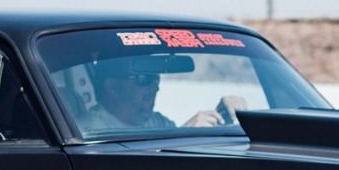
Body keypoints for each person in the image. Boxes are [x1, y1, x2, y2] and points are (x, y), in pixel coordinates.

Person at [77, 59, 245, 132]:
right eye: (144, 79)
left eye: (156, 79)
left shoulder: (156, 122)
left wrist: (220, 119)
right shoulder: (90, 131)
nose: (155, 87)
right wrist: (184, 134)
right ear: (112, 87)